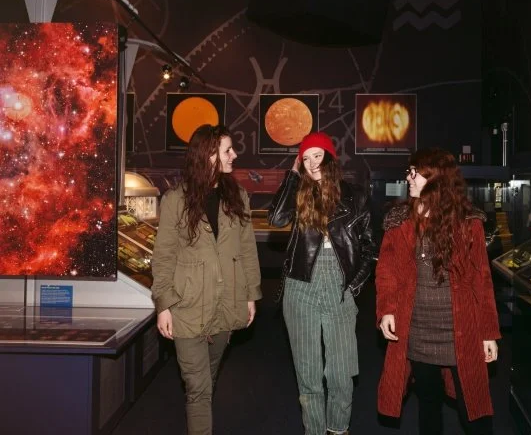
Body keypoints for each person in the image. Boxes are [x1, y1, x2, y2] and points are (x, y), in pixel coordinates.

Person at [376, 148, 500, 435]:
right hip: (417, 327)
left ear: (435, 179)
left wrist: (488, 332)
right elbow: (386, 272)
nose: (409, 177)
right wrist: (386, 311)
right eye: (409, 171)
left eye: (414, 172)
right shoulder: (398, 221)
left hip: (461, 328)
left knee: (474, 409)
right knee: (428, 403)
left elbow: (482, 280)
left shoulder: (469, 222)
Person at [151, 124, 262, 435]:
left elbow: (247, 250)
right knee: (198, 385)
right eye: (227, 150)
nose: (234, 154)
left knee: (208, 378)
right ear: (209, 155)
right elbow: (163, 257)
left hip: (227, 305)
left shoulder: (237, 196)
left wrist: (251, 294)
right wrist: (163, 305)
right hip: (186, 307)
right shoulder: (176, 199)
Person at [268, 132, 377, 435]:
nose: (312, 163)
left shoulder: (355, 195)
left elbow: (369, 247)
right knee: (309, 375)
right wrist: (291, 176)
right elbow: (276, 218)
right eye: (305, 158)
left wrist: (354, 285)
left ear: (330, 157)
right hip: (300, 285)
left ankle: (339, 429)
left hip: (339, 285)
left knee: (341, 374)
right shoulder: (299, 192)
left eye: (317, 155)